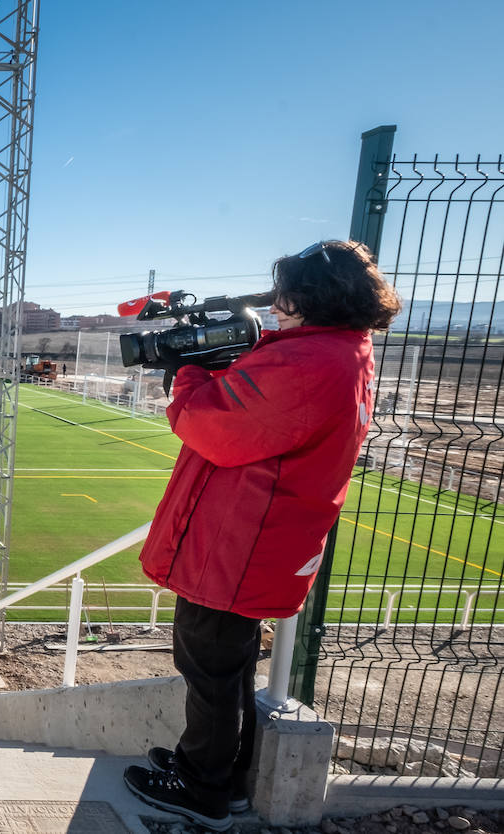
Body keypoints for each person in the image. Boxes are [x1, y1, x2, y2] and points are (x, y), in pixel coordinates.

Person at [123, 240, 401, 831]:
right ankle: (222, 775)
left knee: (210, 669)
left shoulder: (309, 362)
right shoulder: (338, 351)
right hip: (255, 535)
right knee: (227, 668)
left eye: (285, 295)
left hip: (241, 541)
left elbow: (212, 428)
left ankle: (202, 790)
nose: (277, 305)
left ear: (309, 299)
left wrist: (188, 370)